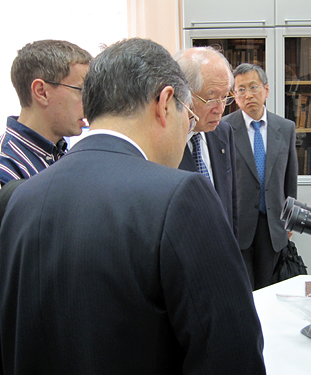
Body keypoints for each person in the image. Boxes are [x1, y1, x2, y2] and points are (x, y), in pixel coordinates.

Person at [0, 38, 265, 374]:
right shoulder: (181, 196)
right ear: (166, 102)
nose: (188, 129)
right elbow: (230, 355)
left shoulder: (18, 198)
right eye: (189, 117)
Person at [223, 63, 298, 290]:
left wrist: (291, 216)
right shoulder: (224, 128)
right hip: (237, 223)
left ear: (266, 90)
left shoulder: (285, 128)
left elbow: (290, 177)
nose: (248, 95)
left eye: (253, 87)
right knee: (242, 288)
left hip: (272, 222)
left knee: (269, 288)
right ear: (235, 96)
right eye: (241, 90)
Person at [0, 39, 92, 187]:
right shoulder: (6, 168)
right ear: (41, 92)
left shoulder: (59, 155)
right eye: (82, 91)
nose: (90, 103)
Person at [175, 47, 238, 237]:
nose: (220, 109)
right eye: (211, 98)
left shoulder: (223, 132)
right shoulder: (166, 142)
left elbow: (231, 201)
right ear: (184, 94)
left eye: (225, 97)